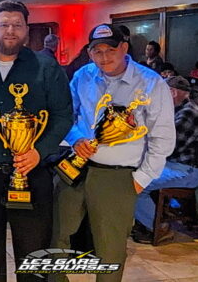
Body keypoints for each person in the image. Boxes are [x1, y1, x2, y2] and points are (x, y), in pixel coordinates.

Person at [0, 0, 73, 281]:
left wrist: (38, 151)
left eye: (17, 25)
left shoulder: (47, 67)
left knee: (34, 256)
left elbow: (63, 116)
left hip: (33, 172)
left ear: (26, 30)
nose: (10, 30)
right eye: (4, 24)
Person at [53, 23, 175, 282]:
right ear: (89, 52)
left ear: (124, 48)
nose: (104, 57)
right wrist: (75, 139)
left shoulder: (151, 83)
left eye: (110, 50)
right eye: (97, 51)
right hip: (75, 167)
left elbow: (162, 138)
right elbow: (66, 117)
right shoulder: (83, 76)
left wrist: (141, 180)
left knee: (110, 249)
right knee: (57, 236)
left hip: (119, 176)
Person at [131, 76, 198, 243]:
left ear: (172, 92)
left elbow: (168, 149)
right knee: (136, 173)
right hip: (180, 165)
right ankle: (148, 222)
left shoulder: (188, 115)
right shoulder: (180, 111)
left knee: (136, 185)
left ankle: (158, 228)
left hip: (188, 171)